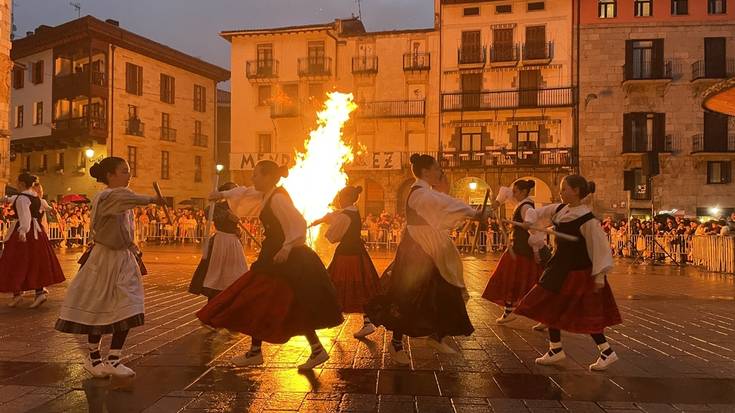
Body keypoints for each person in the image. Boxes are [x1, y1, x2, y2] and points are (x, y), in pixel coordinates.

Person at [196, 160, 343, 370]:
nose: (253, 178)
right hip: (275, 258)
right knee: (275, 302)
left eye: (256, 175)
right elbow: (246, 193)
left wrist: (286, 248)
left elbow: (298, 223)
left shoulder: (278, 199)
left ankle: (263, 351)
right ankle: (309, 349)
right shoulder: (268, 195)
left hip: (284, 259)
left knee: (262, 298)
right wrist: (222, 195)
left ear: (267, 177)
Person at [365, 154, 488, 365]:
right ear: (426, 171)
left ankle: (437, 335)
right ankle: (396, 343)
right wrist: (473, 213)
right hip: (417, 248)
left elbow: (443, 203)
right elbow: (444, 203)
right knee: (408, 293)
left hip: (428, 246)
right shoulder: (420, 194)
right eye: (437, 168)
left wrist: (472, 213)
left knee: (445, 289)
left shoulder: (425, 193)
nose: (440, 171)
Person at [55, 157, 166, 378]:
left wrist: (133, 248)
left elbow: (124, 225)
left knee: (128, 303)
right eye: (124, 171)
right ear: (110, 175)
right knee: (99, 305)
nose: (129, 175)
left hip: (123, 257)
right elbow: (125, 198)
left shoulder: (122, 198)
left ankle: (115, 359)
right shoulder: (107, 196)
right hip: (104, 258)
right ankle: (94, 359)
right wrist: (154, 198)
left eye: (129, 171)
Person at [514, 175, 622, 371]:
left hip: (576, 272)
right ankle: (556, 349)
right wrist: (529, 221)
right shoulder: (561, 209)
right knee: (551, 306)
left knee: (584, 312)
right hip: (559, 268)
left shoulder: (587, 220)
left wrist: (599, 276)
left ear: (576, 191)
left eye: (564, 189)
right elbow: (536, 212)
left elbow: (599, 248)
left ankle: (606, 351)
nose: (561, 192)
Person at [311, 185, 380, 339]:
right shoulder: (353, 210)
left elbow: (332, 236)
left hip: (346, 255)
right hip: (358, 253)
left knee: (337, 283)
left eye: (341, 198)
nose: (339, 201)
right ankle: (366, 321)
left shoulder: (345, 215)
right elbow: (335, 215)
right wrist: (321, 220)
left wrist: (326, 231)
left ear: (348, 198)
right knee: (360, 285)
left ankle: (333, 315)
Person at [482, 180, 548, 326]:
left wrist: (536, 252)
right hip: (516, 249)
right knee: (513, 281)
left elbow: (534, 230)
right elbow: (505, 190)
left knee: (526, 282)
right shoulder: (519, 203)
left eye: (516, 191)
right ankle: (509, 311)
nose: (513, 194)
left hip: (524, 251)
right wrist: (497, 203)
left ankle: (543, 314)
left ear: (523, 192)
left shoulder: (526, 208)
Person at [0, 173, 65, 308]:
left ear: (22, 184)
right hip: (37, 232)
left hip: (26, 232)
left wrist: (23, 230)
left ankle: (24, 293)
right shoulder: (36, 198)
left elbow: (25, 216)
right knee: (36, 261)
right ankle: (31, 292)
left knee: (16, 261)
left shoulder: (23, 198)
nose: (17, 184)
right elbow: (44, 207)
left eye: (18, 182)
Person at [189, 182, 248, 302]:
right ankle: (214, 300)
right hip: (221, 242)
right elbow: (208, 211)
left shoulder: (237, 205)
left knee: (237, 272)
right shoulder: (219, 206)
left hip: (233, 242)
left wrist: (237, 230)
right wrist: (227, 216)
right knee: (217, 272)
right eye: (232, 190)